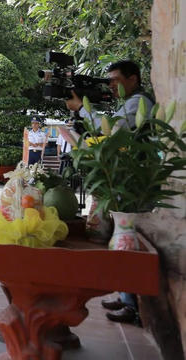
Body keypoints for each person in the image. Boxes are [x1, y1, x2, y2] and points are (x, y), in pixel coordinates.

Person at [63, 59, 154, 326]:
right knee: (122, 236)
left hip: (134, 182)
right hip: (127, 178)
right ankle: (127, 297)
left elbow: (113, 132)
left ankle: (133, 305)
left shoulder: (139, 103)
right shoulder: (131, 102)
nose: (111, 85)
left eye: (116, 79)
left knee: (127, 238)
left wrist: (81, 109)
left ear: (133, 79)